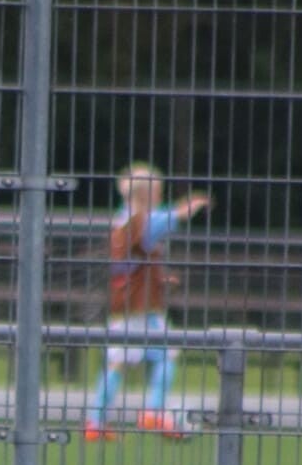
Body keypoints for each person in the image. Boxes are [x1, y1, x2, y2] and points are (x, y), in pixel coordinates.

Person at [85, 163, 210, 441]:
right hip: (141, 306)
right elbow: (170, 218)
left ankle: (96, 421)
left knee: (116, 362)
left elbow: (133, 264)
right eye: (157, 192)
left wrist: (158, 279)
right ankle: (153, 411)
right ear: (145, 194)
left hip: (123, 304)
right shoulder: (141, 221)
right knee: (167, 353)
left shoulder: (121, 220)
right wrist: (193, 205)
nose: (160, 198)